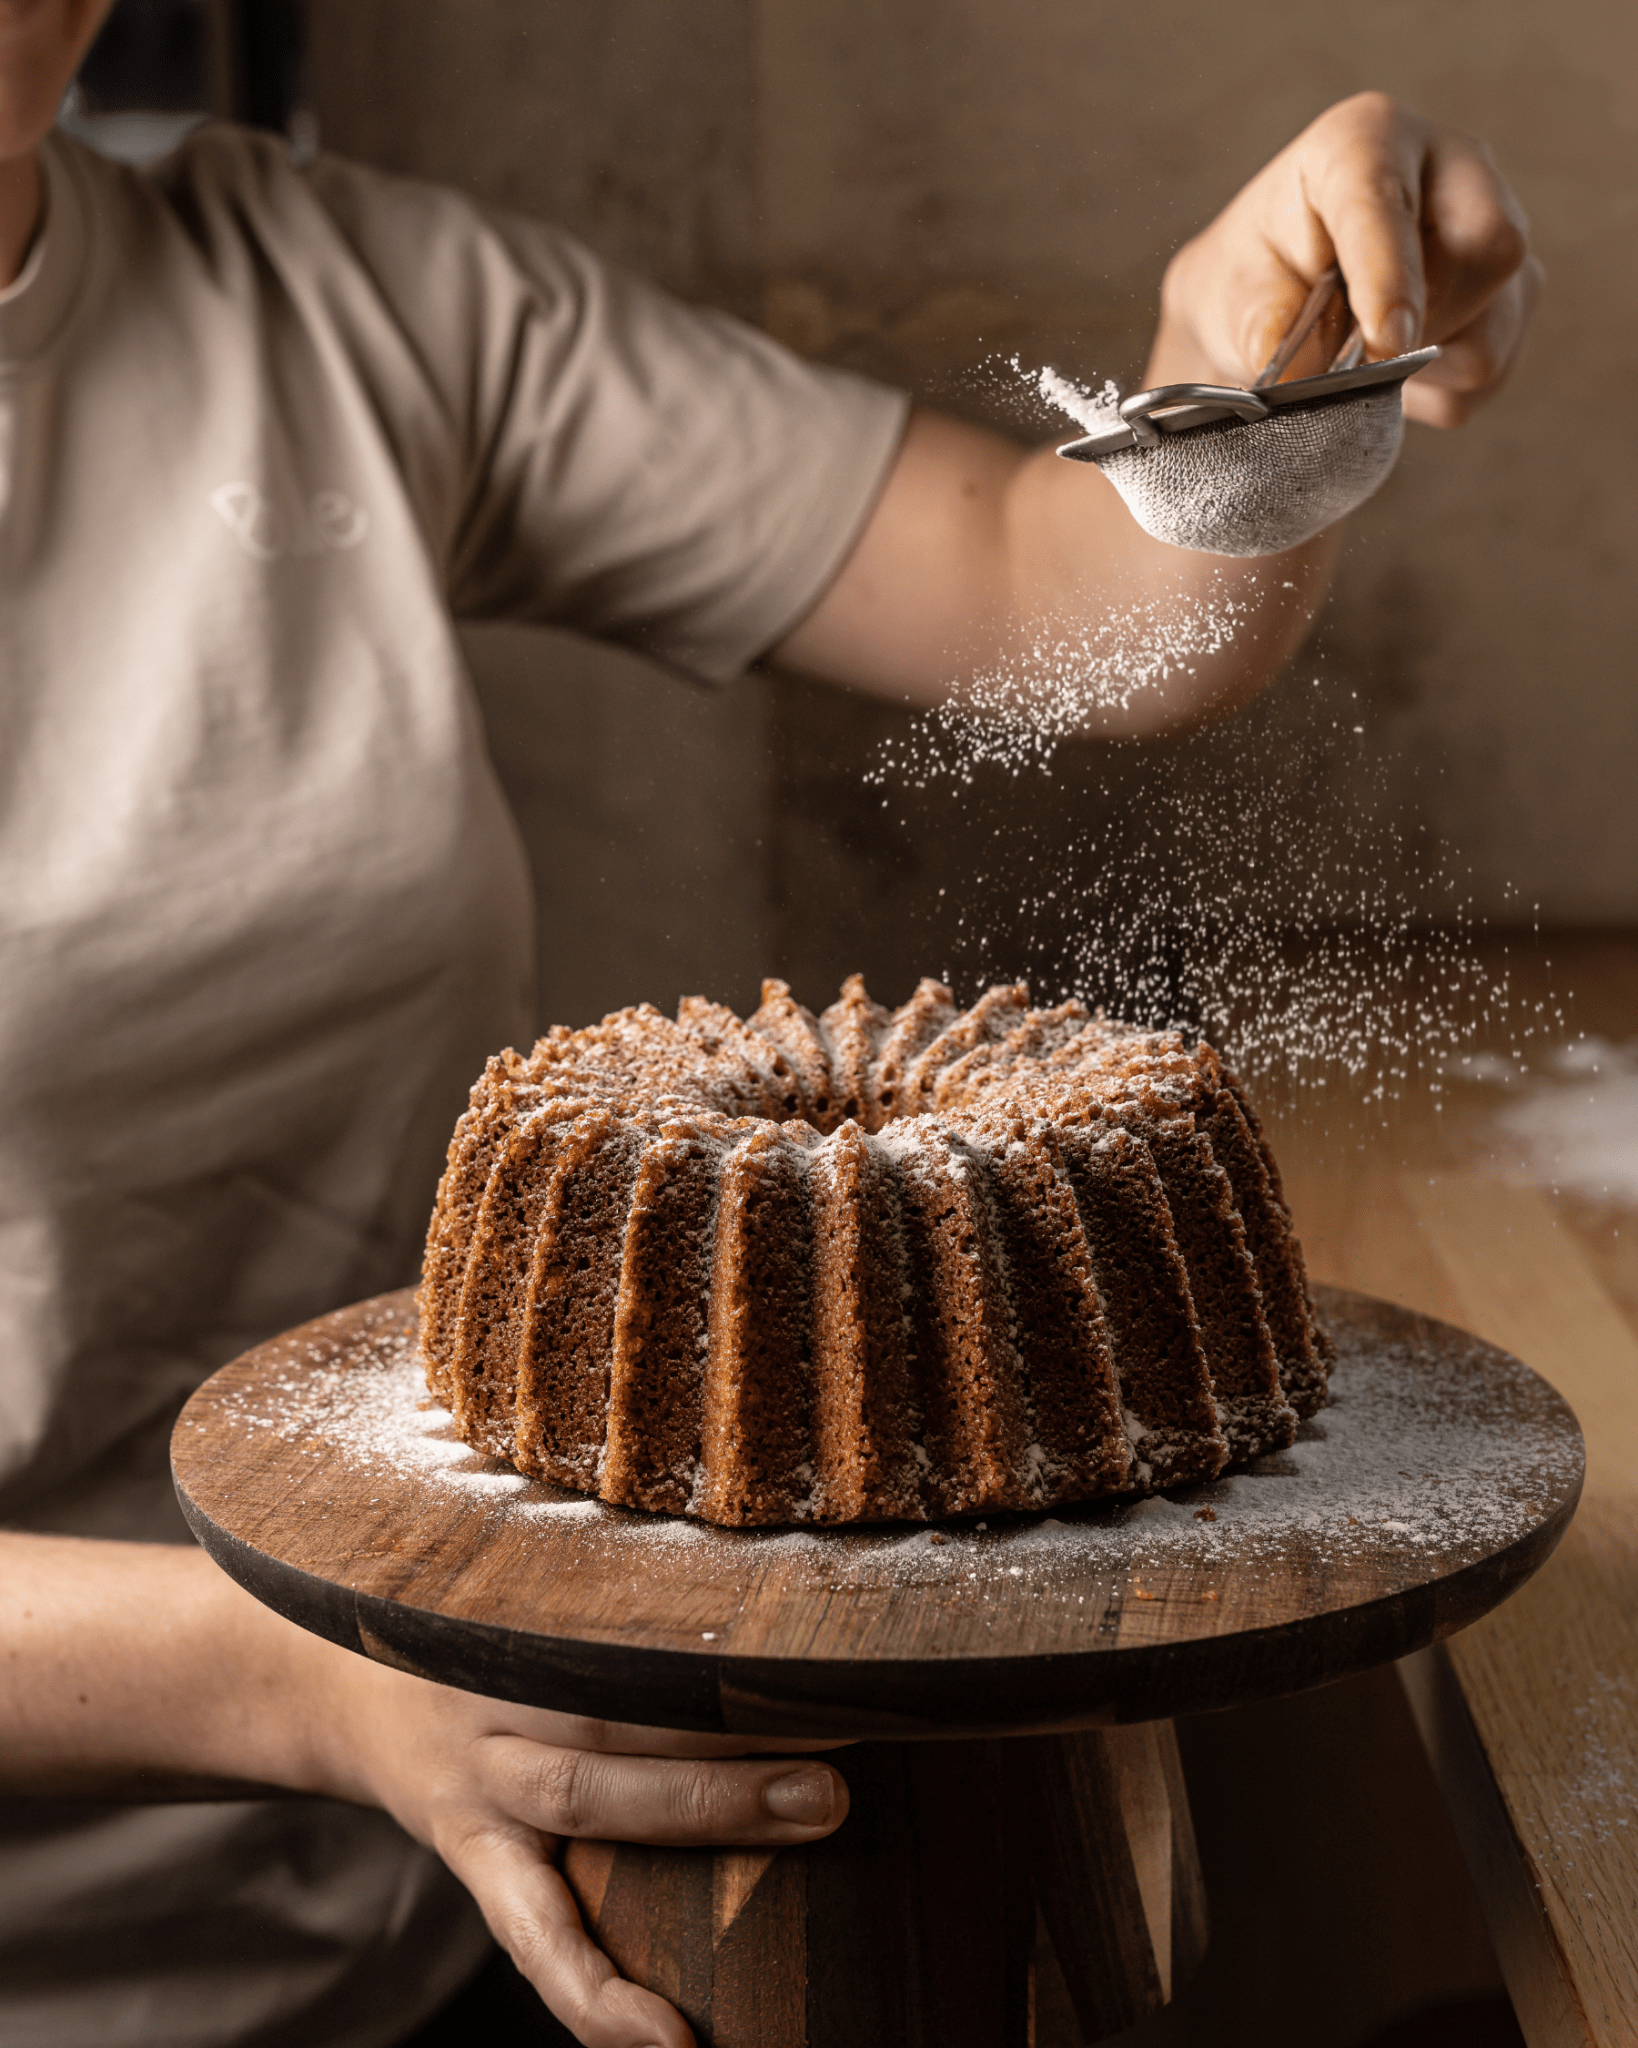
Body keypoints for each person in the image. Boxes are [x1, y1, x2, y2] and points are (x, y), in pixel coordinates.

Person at [0, 4, 1537, 2045]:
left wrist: (1255, 385)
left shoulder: (331, 299)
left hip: (487, 1889)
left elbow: (1043, 599)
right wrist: (306, 1681)